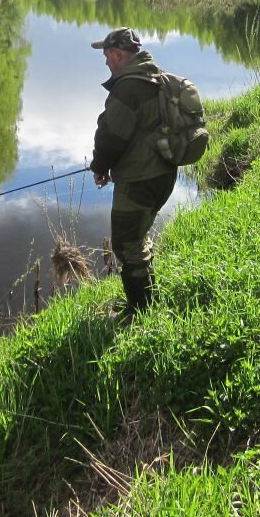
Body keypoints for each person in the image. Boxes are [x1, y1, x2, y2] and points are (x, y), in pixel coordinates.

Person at [90, 27, 178, 321]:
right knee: (138, 238)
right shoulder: (154, 75)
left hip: (141, 179)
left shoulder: (128, 87)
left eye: (106, 56)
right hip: (163, 173)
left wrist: (99, 167)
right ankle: (147, 299)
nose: (105, 62)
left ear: (117, 55)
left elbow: (110, 136)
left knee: (127, 245)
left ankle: (139, 312)